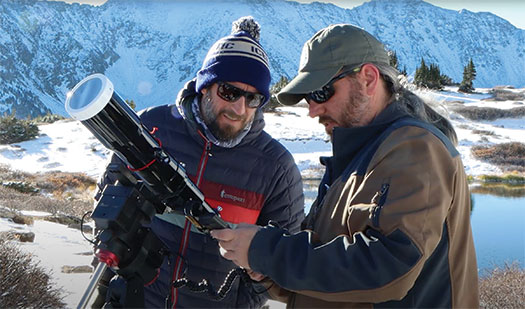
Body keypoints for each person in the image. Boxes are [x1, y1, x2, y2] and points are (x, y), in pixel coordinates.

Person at [212, 24, 479, 308]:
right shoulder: (358, 154)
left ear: (368, 78)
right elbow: (327, 274)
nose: (312, 110)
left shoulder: (415, 148)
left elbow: (389, 267)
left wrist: (268, 251)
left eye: (322, 92)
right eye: (307, 98)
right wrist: (269, 271)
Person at [92, 16, 304, 308]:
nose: (239, 108)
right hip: (138, 300)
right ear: (205, 86)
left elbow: (284, 257)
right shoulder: (152, 129)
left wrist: (243, 299)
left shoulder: (277, 167)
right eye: (229, 92)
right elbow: (108, 195)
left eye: (253, 98)